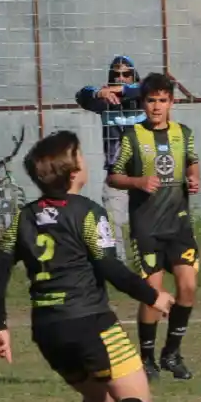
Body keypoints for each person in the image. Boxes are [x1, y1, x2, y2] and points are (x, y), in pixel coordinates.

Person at [0, 130, 174, 402]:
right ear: (72, 172)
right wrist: (153, 295)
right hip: (90, 322)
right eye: (81, 156)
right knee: (136, 398)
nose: (85, 160)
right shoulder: (87, 213)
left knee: (98, 398)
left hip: (48, 330)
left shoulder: (22, 219)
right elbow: (109, 267)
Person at [106, 73, 201, 381]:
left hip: (179, 225)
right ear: (142, 103)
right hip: (147, 226)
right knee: (153, 293)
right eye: (151, 101)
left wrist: (194, 176)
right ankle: (146, 357)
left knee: (188, 285)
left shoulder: (183, 134)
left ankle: (172, 353)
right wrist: (137, 181)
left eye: (163, 100)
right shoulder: (132, 137)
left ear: (171, 102)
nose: (157, 107)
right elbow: (113, 176)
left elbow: (192, 161)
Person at [76, 55, 144, 254]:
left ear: (134, 76)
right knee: (113, 226)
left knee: (146, 227)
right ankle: (119, 269)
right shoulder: (105, 102)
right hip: (117, 174)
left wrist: (121, 89)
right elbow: (81, 95)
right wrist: (99, 93)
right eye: (116, 75)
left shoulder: (145, 96)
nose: (121, 78)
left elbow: (149, 87)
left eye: (126, 74)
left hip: (145, 172)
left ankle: (149, 268)